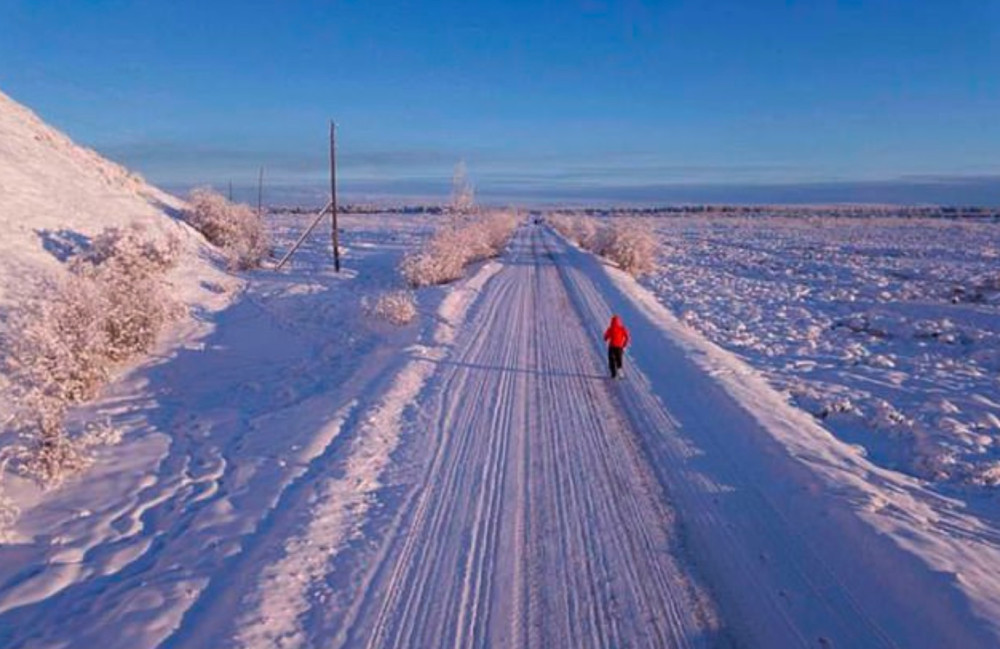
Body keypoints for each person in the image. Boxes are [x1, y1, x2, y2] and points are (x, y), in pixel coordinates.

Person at [603, 314, 630, 379]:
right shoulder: (622, 328)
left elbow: (606, 336)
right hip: (619, 347)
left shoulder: (610, 328)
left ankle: (613, 373)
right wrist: (625, 343)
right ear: (619, 322)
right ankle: (620, 373)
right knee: (619, 360)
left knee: (611, 359)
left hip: (612, 346)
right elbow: (627, 336)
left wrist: (606, 338)